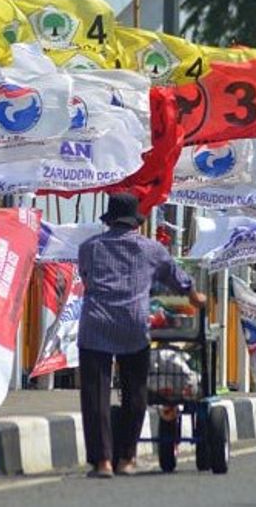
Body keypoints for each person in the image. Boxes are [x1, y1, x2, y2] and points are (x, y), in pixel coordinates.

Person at [77, 193, 206, 478]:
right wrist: (197, 297)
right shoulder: (152, 249)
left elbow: (86, 279)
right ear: (136, 222)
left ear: (109, 220)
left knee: (95, 395)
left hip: (96, 323)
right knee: (135, 391)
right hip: (133, 324)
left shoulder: (89, 247)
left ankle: (102, 463)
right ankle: (126, 458)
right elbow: (179, 280)